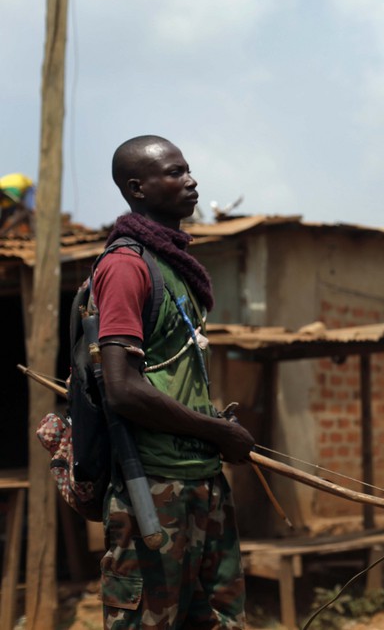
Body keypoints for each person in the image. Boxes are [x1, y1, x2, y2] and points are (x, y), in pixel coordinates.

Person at [95, 135, 254, 628]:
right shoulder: (125, 267)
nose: (192, 181)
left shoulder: (174, 268)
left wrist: (211, 429)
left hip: (201, 485)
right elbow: (121, 387)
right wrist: (217, 432)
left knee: (218, 621)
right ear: (137, 188)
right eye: (175, 172)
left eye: (188, 170)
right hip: (154, 490)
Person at [0, 172, 36, 236]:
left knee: (26, 211)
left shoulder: (9, 191)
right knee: (6, 213)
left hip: (27, 187)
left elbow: (19, 202)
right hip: (14, 193)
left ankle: (35, 232)